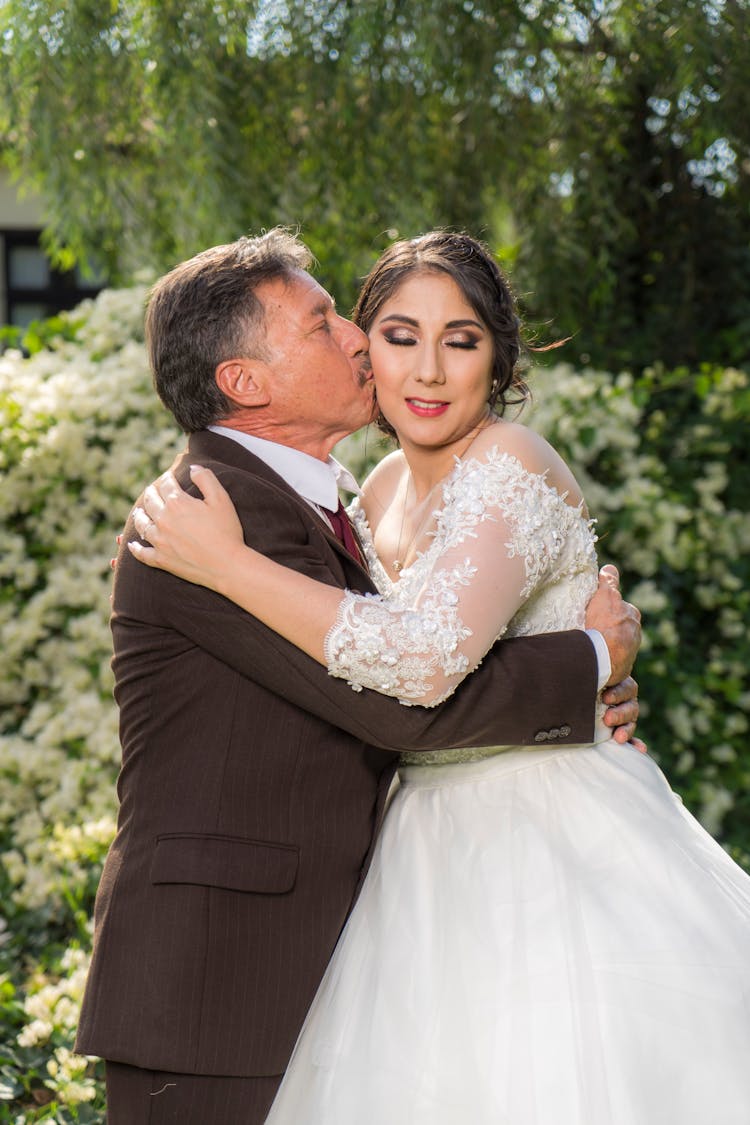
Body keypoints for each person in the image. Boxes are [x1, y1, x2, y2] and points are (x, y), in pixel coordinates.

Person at [132, 231, 750, 1123]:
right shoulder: (369, 490)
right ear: (364, 349)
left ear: (496, 357)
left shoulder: (511, 462)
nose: (428, 370)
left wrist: (230, 567)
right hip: (414, 846)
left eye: (461, 341)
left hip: (547, 835)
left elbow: (422, 660)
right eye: (397, 334)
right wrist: (588, 669)